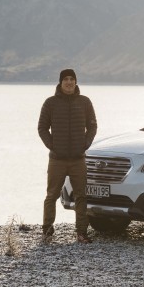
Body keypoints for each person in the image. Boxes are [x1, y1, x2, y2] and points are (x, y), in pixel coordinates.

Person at [38, 68, 97, 243]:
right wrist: (53, 146)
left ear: (76, 82)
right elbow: (42, 128)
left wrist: (85, 145)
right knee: (51, 196)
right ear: (61, 82)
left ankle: (81, 233)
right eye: (66, 79)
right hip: (57, 159)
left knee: (81, 196)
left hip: (78, 159)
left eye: (72, 79)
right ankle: (47, 232)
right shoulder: (50, 103)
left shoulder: (85, 102)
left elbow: (92, 126)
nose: (69, 82)